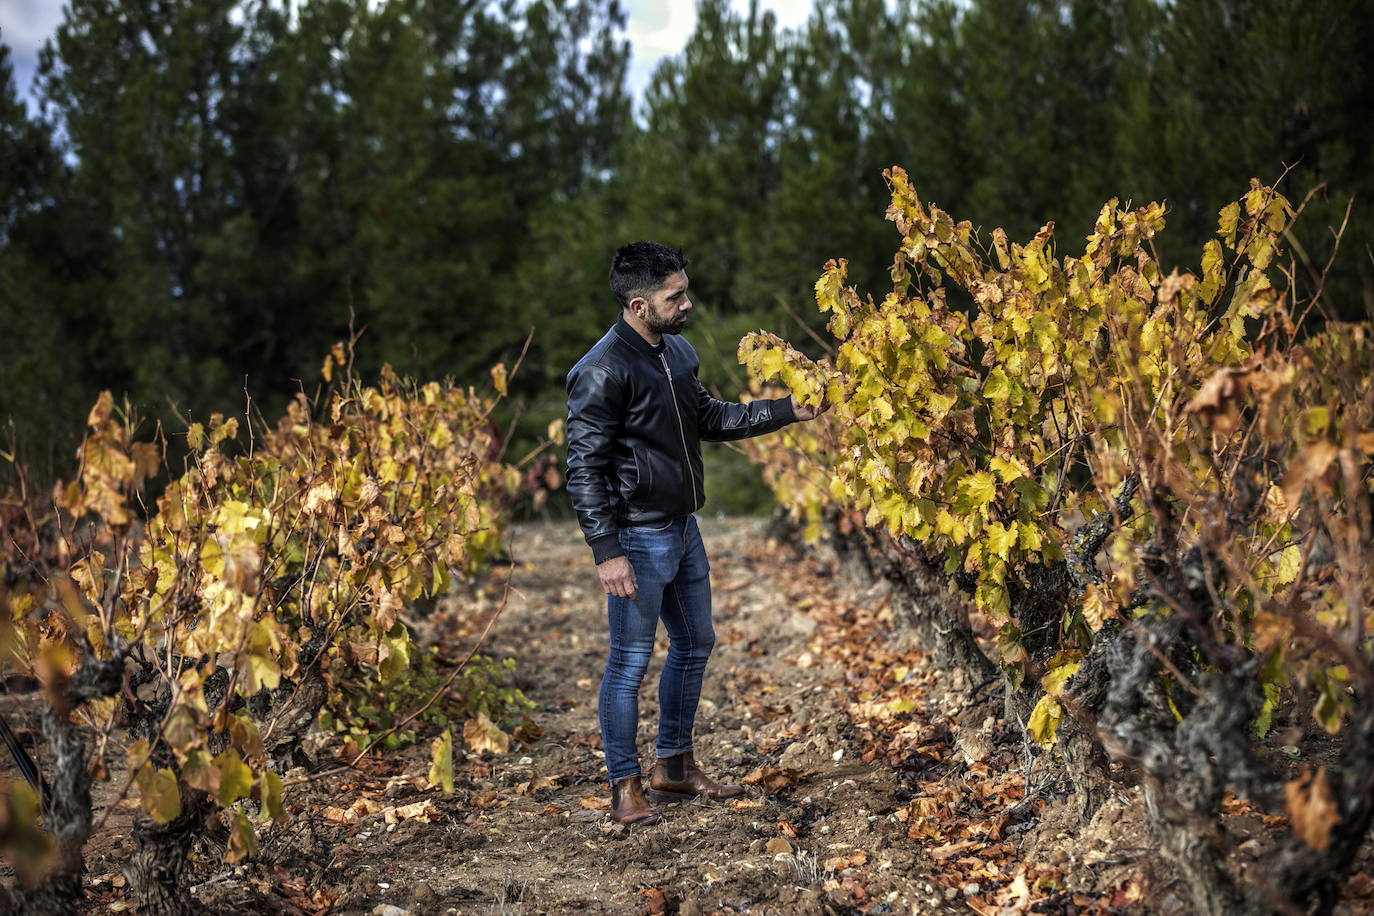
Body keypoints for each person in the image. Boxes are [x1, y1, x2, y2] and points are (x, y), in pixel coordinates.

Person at [564, 241, 828, 826]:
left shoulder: (678, 353)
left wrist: (790, 410)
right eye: (674, 296)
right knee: (629, 662)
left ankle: (674, 767)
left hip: (683, 530)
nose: (688, 303)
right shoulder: (601, 370)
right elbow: (583, 469)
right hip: (634, 537)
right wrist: (606, 551)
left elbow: (711, 418)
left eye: (684, 290)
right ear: (638, 304)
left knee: (694, 643)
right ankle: (624, 787)